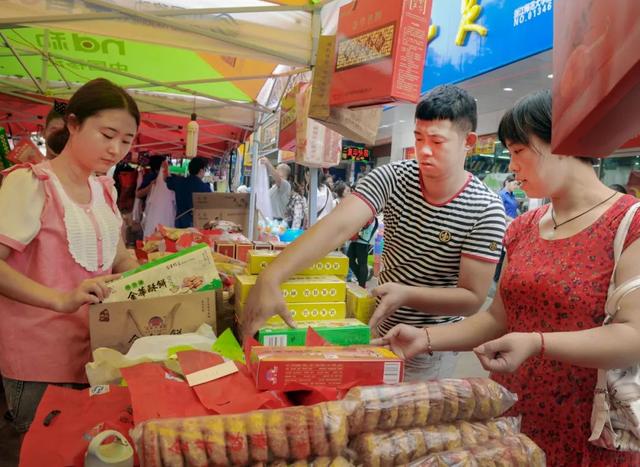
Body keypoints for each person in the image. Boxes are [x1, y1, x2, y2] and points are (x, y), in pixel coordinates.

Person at [374, 90, 640, 466]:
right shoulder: (524, 227)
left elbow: (633, 336)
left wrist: (537, 343)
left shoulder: (629, 223)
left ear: (563, 143)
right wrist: (427, 338)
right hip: (513, 415)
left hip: (590, 427)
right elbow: (498, 318)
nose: (511, 166)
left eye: (517, 151)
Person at [241, 85, 506, 381]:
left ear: (468, 142)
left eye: (437, 141)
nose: (424, 150)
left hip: (431, 346)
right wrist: (271, 276)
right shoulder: (393, 177)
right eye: (419, 138)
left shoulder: (486, 209)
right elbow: (338, 226)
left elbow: (471, 299)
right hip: (376, 331)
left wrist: (406, 294)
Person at [0, 78, 141, 435]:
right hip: (41, 361)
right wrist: (61, 299)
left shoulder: (103, 189)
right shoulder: (30, 183)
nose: (116, 150)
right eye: (107, 135)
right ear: (74, 125)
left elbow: (119, 256)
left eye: (126, 140)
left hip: (99, 355)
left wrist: (145, 276)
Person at [166, 156, 212, 228]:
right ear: (201, 170)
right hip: (197, 223)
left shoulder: (179, 182)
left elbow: (167, 180)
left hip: (179, 222)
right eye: (204, 170)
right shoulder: (205, 188)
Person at [492, 174, 520, 282]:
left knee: (505, 252)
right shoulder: (501, 195)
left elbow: (514, 210)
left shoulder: (512, 195)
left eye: (517, 184)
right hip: (503, 226)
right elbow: (499, 212)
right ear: (507, 182)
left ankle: (500, 277)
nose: (516, 186)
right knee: (501, 253)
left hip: (511, 226)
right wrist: (513, 220)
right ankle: (496, 278)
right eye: (515, 184)